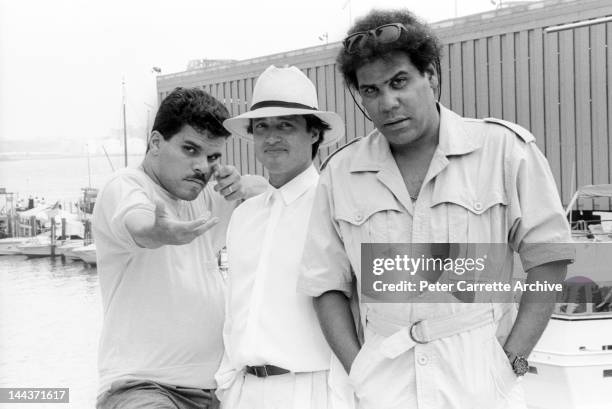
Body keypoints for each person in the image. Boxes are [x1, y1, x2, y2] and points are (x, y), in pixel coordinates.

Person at [297, 9, 575, 409]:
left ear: (430, 74)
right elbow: (325, 285)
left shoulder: (502, 150)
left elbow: (548, 259)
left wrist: (512, 358)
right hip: (384, 382)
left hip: (479, 379)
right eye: (370, 90)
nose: (387, 103)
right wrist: (359, 369)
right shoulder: (341, 173)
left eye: (399, 82)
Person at [94, 87, 267, 409]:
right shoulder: (127, 186)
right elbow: (137, 222)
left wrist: (243, 185)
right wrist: (159, 232)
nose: (202, 166)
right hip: (145, 387)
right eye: (190, 150)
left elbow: (273, 197)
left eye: (213, 157)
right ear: (156, 142)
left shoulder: (206, 196)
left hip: (219, 388)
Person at [215, 65, 351, 409]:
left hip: (311, 391)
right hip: (243, 391)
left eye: (285, 126)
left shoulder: (337, 206)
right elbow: (235, 308)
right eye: (262, 127)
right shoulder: (244, 216)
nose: (271, 137)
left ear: (314, 134)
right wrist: (227, 384)